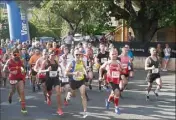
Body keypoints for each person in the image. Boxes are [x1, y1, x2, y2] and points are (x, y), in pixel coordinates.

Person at [3, 49, 27, 113]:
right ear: (12, 55)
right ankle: (10, 95)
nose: (17, 56)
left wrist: (23, 70)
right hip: (13, 78)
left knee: (22, 91)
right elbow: (4, 69)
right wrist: (11, 71)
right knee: (13, 91)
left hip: (20, 78)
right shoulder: (9, 61)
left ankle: (23, 108)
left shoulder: (20, 61)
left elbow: (23, 68)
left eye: (18, 54)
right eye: (15, 54)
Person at [39, 50, 63, 115]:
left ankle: (59, 109)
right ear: (49, 55)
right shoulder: (45, 62)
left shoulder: (56, 61)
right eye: (52, 55)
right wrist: (47, 70)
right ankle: (48, 96)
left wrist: (60, 70)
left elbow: (59, 67)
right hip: (48, 79)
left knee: (58, 93)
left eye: (54, 55)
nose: (53, 56)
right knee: (49, 92)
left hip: (55, 79)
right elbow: (40, 71)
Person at [65, 49, 88, 118]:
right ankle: (68, 96)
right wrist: (74, 73)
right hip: (73, 81)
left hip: (81, 80)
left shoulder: (83, 62)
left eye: (79, 54)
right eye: (76, 54)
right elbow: (66, 73)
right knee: (72, 94)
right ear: (74, 55)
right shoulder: (71, 63)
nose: (78, 56)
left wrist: (86, 71)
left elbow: (84, 69)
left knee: (83, 94)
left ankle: (85, 111)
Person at [99, 48, 122, 114]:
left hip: (117, 79)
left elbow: (122, 70)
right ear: (109, 55)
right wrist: (100, 76)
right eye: (112, 54)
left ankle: (108, 101)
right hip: (110, 80)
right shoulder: (108, 62)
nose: (114, 55)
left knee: (113, 93)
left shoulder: (118, 62)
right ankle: (116, 107)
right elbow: (101, 68)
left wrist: (120, 69)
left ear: (117, 54)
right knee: (117, 92)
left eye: (115, 54)